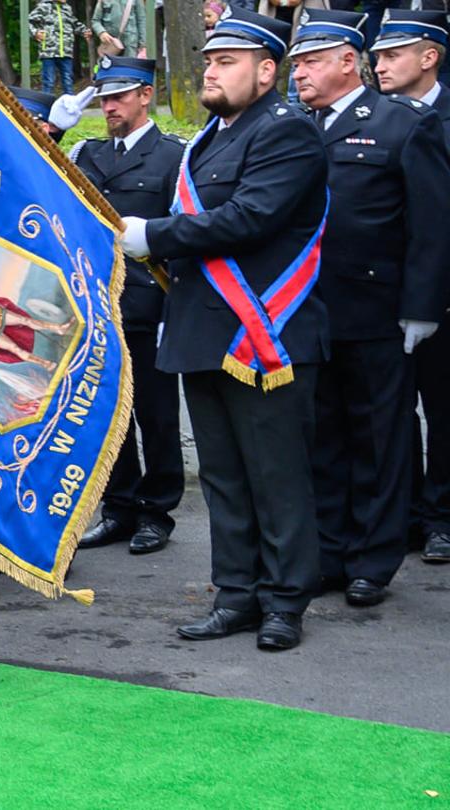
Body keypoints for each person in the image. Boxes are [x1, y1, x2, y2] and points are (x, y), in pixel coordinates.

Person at [118, 10, 329, 651]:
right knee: (222, 478)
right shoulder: (208, 139)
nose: (211, 70)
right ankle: (235, 595)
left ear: (268, 71)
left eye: (227, 61)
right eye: (208, 60)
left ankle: (285, 602)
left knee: (277, 475)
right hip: (204, 333)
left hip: (266, 335)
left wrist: (150, 233)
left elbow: (250, 218)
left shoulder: (287, 132)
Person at [288, 9, 450, 606]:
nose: (297, 71)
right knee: (323, 435)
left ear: (346, 62)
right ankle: (331, 551)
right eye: (296, 61)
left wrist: (422, 307)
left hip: (378, 308)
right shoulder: (295, 124)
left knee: (380, 438)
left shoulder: (401, 122)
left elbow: (432, 224)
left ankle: (372, 562)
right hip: (307, 308)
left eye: (309, 60)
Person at [70, 57, 189, 556]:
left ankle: (156, 511)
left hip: (149, 303)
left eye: (120, 96)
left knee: (156, 415)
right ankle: (117, 507)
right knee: (106, 414)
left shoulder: (174, 155)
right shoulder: (85, 153)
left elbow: (182, 235)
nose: (109, 106)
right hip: (96, 305)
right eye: (103, 97)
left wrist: (176, 310)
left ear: (146, 95)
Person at [375, 8, 450, 565]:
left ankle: (442, 516)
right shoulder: (373, 116)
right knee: (391, 412)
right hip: (382, 292)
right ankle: (404, 515)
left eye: (392, 54)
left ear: (430, 58)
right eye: (376, 55)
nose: (380, 65)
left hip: (442, 292)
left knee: (444, 411)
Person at [30, 0, 85, 95]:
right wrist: (35, 32)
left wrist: (84, 31)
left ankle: (69, 106)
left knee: (68, 80)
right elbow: (29, 21)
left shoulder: (67, 8)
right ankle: (47, 107)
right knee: (49, 81)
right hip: (49, 51)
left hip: (65, 50)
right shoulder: (44, 6)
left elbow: (74, 23)